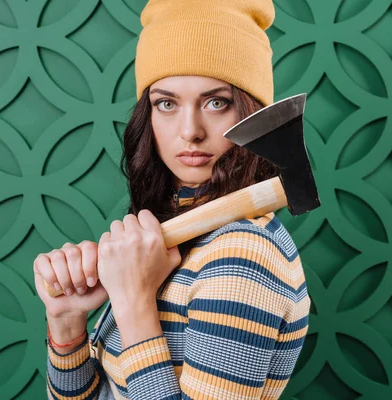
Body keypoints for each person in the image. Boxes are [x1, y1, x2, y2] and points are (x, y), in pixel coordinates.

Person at [34, 0, 311, 398]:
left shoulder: (242, 256)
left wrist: (133, 303)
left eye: (217, 102)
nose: (190, 131)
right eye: (166, 103)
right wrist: (65, 324)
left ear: (252, 111)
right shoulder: (169, 238)